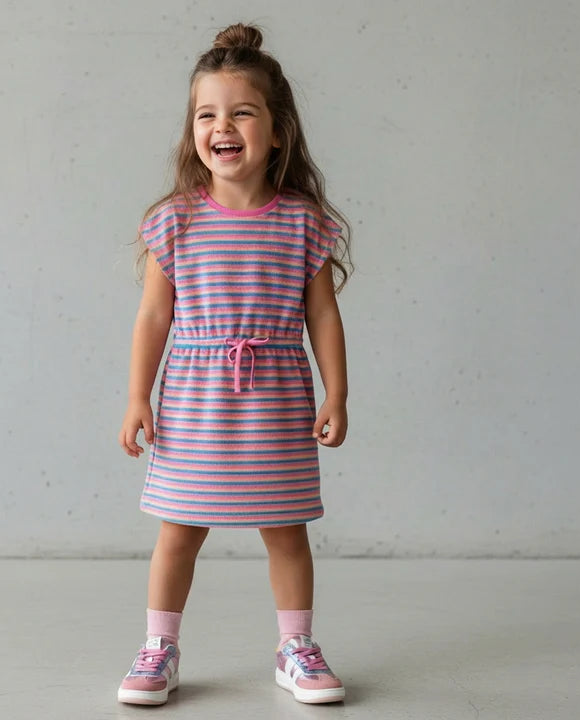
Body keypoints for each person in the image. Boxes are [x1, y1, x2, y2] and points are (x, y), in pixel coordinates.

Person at [117, 22, 353, 706]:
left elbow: (323, 317)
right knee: (179, 530)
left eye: (241, 112)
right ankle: (159, 647)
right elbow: (153, 317)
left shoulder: (304, 223)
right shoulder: (174, 222)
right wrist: (137, 396)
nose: (222, 126)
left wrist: (336, 393)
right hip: (194, 400)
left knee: (286, 529)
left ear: (277, 132)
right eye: (206, 114)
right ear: (193, 130)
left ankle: (295, 647)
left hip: (275, 398)